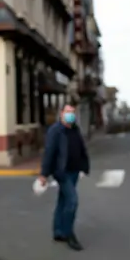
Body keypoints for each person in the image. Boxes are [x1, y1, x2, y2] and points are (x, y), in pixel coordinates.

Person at [38, 104, 89, 251]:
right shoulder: (55, 131)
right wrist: (44, 174)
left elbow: (81, 148)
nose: (70, 115)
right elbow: (49, 152)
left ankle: (58, 231)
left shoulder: (75, 129)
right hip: (62, 172)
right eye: (68, 112)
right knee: (72, 201)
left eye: (72, 112)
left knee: (63, 200)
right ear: (61, 114)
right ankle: (69, 234)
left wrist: (84, 166)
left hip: (74, 171)